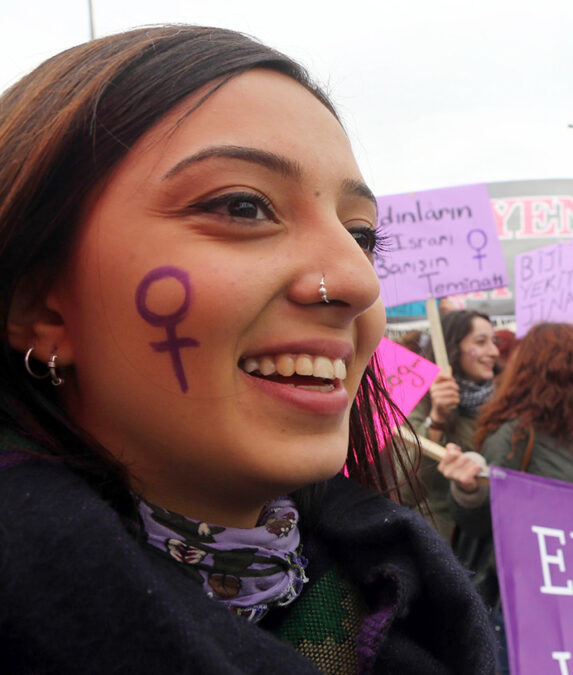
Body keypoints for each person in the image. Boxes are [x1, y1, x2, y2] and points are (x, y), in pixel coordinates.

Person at [0, 26, 493, 673]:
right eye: (242, 205)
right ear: (41, 307)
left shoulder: (418, 614)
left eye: (363, 235)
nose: (355, 281)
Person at [436, 322, 573, 669]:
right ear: (562, 369)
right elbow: (485, 525)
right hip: (537, 605)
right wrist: (468, 490)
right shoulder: (514, 437)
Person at [408, 309, 499, 541]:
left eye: (494, 341)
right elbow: (405, 489)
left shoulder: (505, 401)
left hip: (488, 545)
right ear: (454, 347)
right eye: (481, 342)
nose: (494, 351)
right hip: (439, 542)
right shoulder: (418, 402)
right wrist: (437, 419)